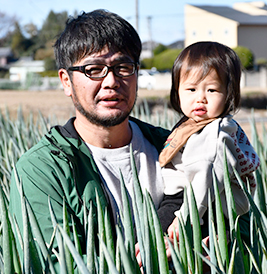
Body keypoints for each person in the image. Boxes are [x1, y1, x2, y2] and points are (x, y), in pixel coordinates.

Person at [9, 9, 179, 254]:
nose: (111, 81)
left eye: (123, 67)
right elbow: (58, 268)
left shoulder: (173, 146)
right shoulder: (42, 170)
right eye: (94, 69)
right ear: (66, 81)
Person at [159, 41, 260, 241]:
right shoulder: (195, 124)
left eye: (212, 90)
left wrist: (185, 217)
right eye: (191, 89)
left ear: (229, 94)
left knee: (150, 240)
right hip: (200, 203)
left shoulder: (215, 133)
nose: (201, 98)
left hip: (197, 206)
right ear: (177, 91)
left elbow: (205, 179)